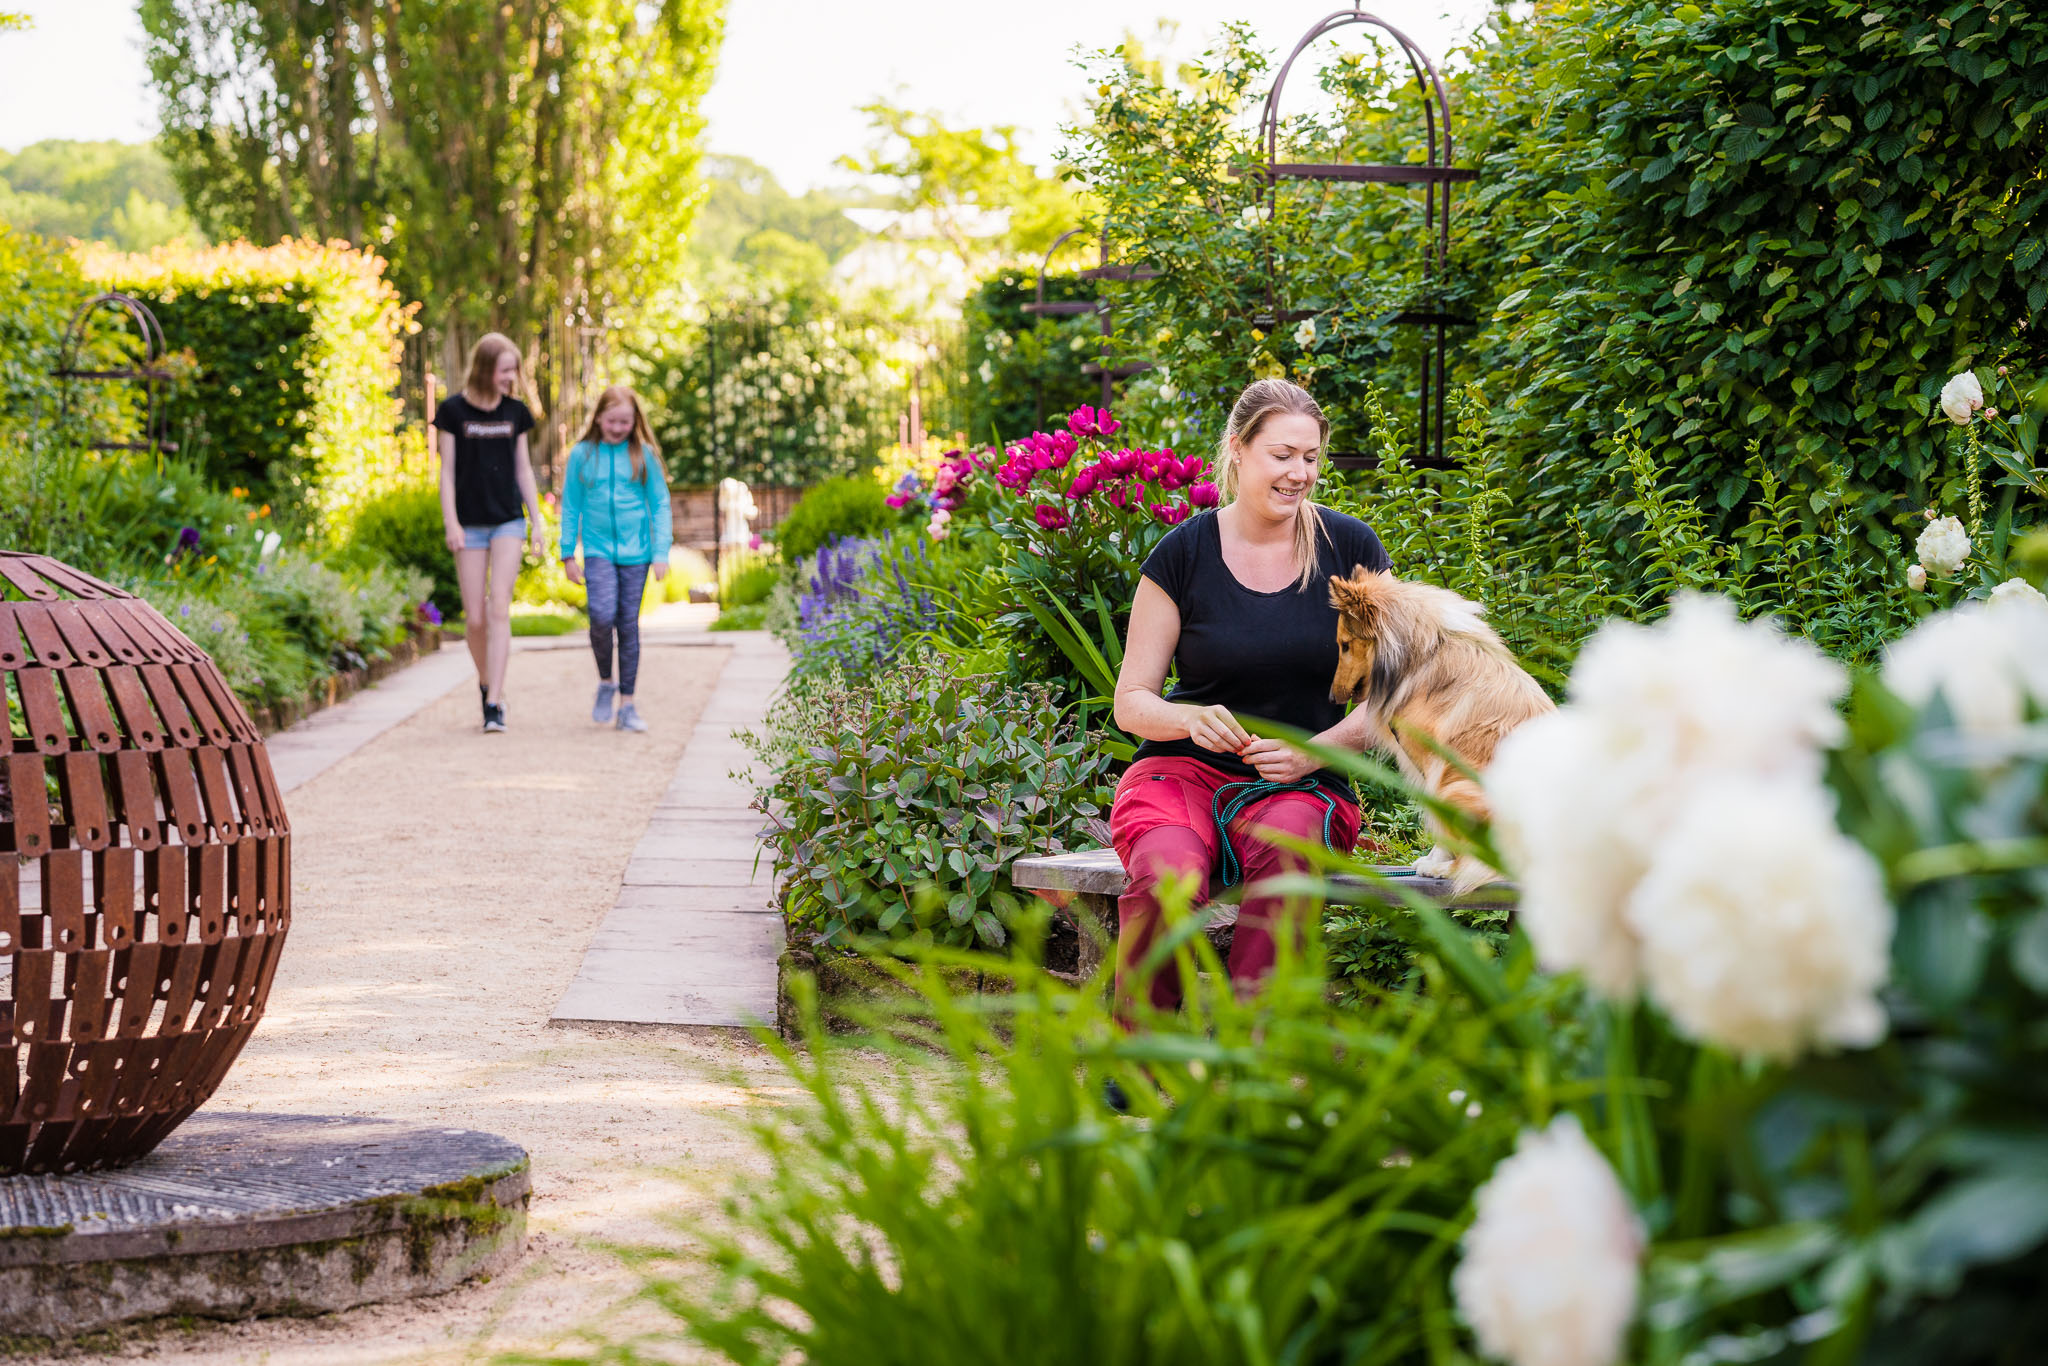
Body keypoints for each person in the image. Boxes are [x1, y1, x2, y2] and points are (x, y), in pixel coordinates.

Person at [1109, 377, 1392, 1030]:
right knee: (1167, 875)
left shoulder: (1351, 553)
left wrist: (1310, 752)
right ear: (1238, 449)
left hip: (1304, 786)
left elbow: (1391, 702)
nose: (1299, 473)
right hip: (1184, 775)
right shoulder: (1181, 554)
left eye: (1311, 457)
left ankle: (1246, 1046)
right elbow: (1133, 702)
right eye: (1282, 455)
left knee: (1288, 860)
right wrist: (1186, 719)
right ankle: (1142, 1045)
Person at [435, 332, 546, 734]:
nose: (511, 376)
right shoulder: (452, 412)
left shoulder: (516, 412)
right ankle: (485, 683)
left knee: (499, 606)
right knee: (476, 618)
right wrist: (451, 522)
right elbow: (446, 473)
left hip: (507, 521)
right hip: (468, 524)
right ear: (485, 369)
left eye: (513, 369)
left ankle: (495, 701)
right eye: (505, 369)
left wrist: (537, 520)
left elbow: (523, 470)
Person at [558, 385, 672, 732]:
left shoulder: (644, 454)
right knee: (601, 617)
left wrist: (660, 552)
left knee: (628, 625)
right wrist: (567, 554)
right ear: (599, 418)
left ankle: (628, 705)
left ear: (635, 420)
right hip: (597, 551)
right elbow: (571, 505)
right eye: (612, 421)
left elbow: (660, 504)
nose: (619, 427)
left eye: (625, 421)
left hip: (636, 553)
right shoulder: (582, 454)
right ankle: (606, 681)